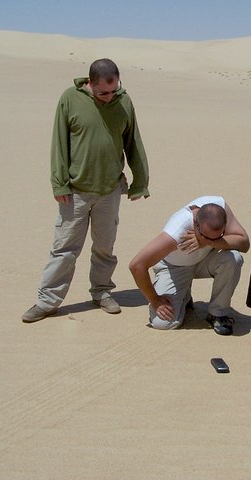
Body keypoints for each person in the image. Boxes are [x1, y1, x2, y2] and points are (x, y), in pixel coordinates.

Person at [22, 58, 150, 323]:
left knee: (105, 247)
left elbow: (133, 143)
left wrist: (140, 182)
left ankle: (102, 292)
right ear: (90, 83)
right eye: (103, 92)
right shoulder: (70, 99)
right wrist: (59, 182)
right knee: (65, 248)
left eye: (114, 90)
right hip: (75, 191)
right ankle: (47, 301)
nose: (108, 97)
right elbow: (59, 142)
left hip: (110, 190)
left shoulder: (123, 102)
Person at [129, 196, 250, 335]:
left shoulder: (219, 206)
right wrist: (155, 300)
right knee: (163, 323)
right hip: (174, 267)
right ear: (195, 225)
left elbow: (244, 243)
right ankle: (184, 295)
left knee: (233, 258)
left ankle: (217, 313)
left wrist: (207, 242)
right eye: (206, 235)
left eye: (218, 236)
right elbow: (137, 265)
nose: (212, 239)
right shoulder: (177, 230)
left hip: (204, 260)